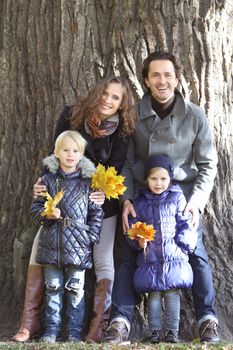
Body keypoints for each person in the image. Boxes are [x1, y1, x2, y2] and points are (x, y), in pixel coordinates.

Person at [103, 51, 219, 344]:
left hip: (182, 201)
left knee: (197, 254)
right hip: (142, 199)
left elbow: (208, 164)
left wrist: (196, 203)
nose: (162, 81)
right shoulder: (134, 115)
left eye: (168, 74)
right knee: (128, 255)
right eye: (155, 75)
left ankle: (207, 320)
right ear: (146, 80)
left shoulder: (194, 116)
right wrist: (127, 199)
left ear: (177, 78)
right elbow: (127, 163)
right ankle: (120, 322)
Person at [13, 76, 136, 342]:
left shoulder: (122, 130)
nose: (108, 100)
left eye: (115, 98)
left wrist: (103, 193)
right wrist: (42, 184)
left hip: (97, 202)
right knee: (39, 247)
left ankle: (96, 326)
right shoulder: (72, 116)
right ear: (96, 93)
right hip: (61, 196)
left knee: (103, 258)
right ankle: (29, 322)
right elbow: (53, 152)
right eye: (105, 93)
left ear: (121, 105)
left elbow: (115, 169)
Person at [30, 130, 103, 342]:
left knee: (76, 290)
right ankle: (51, 331)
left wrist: (92, 237)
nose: (70, 154)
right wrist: (47, 213)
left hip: (79, 245)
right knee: (52, 289)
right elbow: (36, 209)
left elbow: (96, 213)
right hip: (52, 245)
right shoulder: (47, 180)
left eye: (75, 150)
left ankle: (73, 332)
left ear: (81, 155)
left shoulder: (89, 183)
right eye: (65, 150)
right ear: (56, 152)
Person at [126, 154, 197, 343]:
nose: (159, 183)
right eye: (154, 178)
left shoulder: (177, 198)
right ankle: (154, 331)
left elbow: (186, 224)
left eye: (163, 178)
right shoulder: (140, 202)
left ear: (170, 178)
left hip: (174, 256)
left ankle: (172, 331)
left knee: (172, 295)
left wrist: (184, 246)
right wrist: (138, 241)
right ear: (147, 179)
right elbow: (134, 228)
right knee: (154, 296)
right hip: (150, 259)